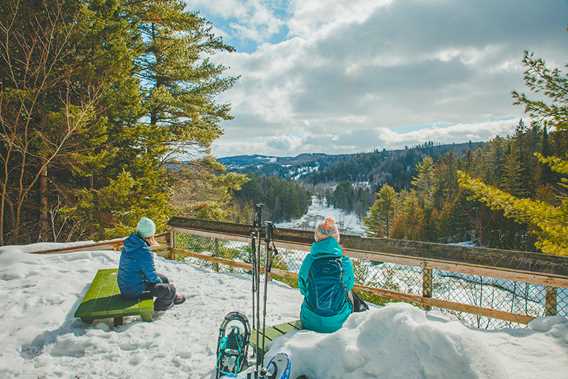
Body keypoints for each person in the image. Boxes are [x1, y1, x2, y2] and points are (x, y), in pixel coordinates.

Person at [298, 216, 355, 333]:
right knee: (351, 294)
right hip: (338, 323)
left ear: (316, 238)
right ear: (337, 239)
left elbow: (303, 289)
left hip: (310, 321)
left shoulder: (309, 260)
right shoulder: (345, 262)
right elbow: (348, 287)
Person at [118, 217, 185, 311]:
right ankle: (159, 307)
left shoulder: (131, 243)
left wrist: (161, 283)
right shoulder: (143, 251)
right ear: (149, 235)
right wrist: (165, 289)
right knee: (170, 289)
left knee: (164, 279)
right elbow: (152, 276)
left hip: (126, 285)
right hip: (134, 292)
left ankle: (171, 297)